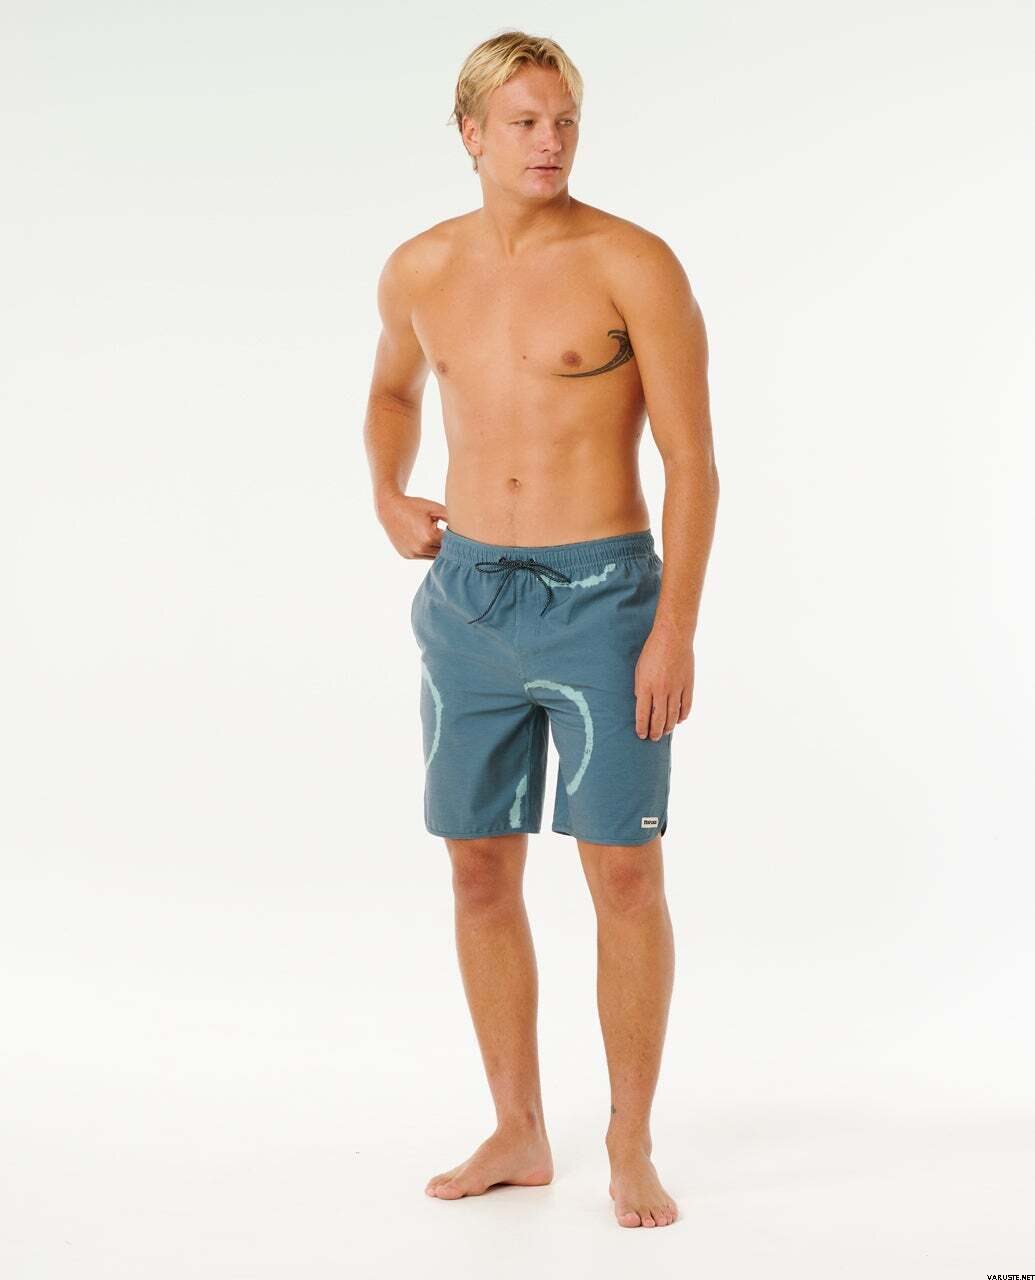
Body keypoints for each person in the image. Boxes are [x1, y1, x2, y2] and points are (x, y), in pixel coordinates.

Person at [363, 30, 719, 1230]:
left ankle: (629, 1138)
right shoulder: (420, 267)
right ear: (470, 132)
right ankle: (518, 1128)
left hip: (603, 599)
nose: (550, 141)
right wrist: (386, 488)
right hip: (466, 599)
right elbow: (392, 390)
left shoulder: (632, 262)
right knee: (477, 866)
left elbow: (692, 460)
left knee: (623, 867)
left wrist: (674, 626)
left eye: (563, 120)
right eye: (523, 122)